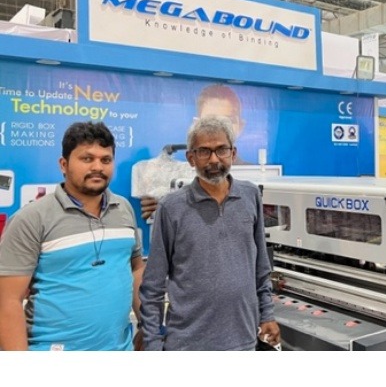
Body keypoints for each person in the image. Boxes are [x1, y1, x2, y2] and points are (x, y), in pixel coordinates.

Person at [138, 115, 279, 350]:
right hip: (187, 344)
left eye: (221, 149)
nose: (214, 159)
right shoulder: (171, 207)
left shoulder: (250, 196)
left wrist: (267, 314)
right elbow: (153, 285)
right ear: (191, 158)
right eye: (204, 151)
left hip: (243, 340)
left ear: (233, 153)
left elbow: (261, 267)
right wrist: (152, 343)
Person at [0, 121, 144, 351]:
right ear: (64, 164)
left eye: (105, 160)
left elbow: (136, 269)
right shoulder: (32, 218)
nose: (97, 167)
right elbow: (7, 301)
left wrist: (146, 325)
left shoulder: (124, 209)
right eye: (87, 158)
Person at [140, 84, 249, 221]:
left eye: (227, 121)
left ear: (240, 126)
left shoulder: (252, 192)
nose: (218, 129)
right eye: (210, 122)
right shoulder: (173, 186)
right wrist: (163, 210)